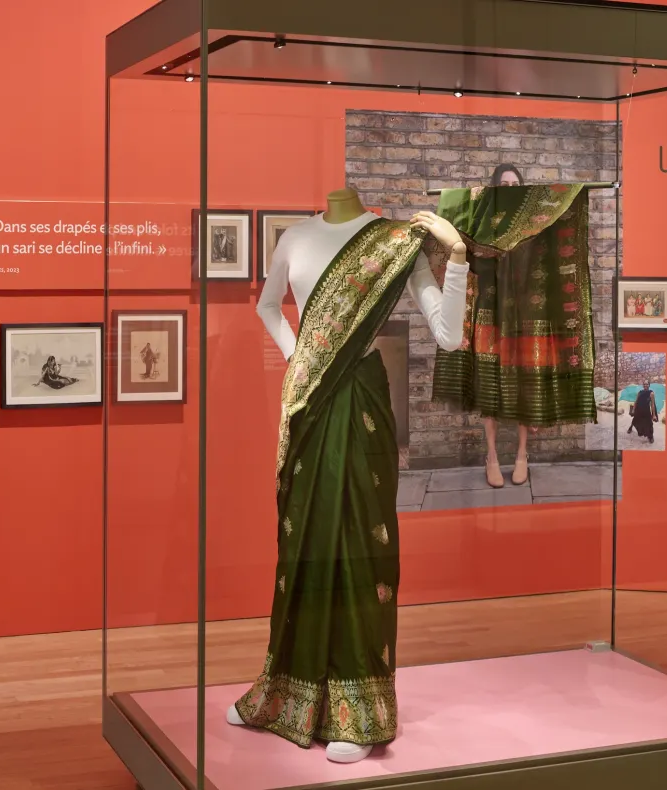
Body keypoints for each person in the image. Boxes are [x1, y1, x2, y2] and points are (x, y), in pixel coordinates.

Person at [240, 187, 469, 763]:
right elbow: (268, 305)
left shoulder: (395, 241)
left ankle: (357, 708)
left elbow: (450, 335)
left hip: (362, 402)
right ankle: (284, 692)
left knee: (361, 544)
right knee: (304, 541)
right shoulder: (294, 237)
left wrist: (458, 255)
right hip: (309, 402)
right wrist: (300, 356)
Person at [431, 165, 598, 488]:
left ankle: (522, 455)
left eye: (515, 184)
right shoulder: (483, 218)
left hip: (526, 311)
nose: (509, 188)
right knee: (488, 383)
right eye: (503, 184)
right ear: (493, 189)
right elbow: (461, 246)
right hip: (489, 309)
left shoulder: (537, 221)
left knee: (525, 381)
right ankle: (491, 455)